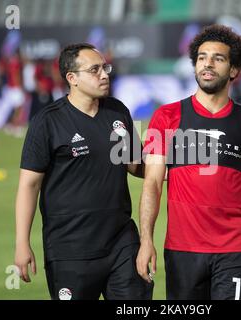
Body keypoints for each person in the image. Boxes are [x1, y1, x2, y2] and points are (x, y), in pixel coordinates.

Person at [136, 25, 241, 300]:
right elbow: (153, 183)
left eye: (218, 58)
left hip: (235, 249)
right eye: (201, 57)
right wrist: (146, 240)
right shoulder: (165, 117)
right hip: (182, 251)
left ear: (234, 70)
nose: (207, 64)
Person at [14, 43, 152, 300]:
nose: (104, 74)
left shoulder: (117, 111)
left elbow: (134, 163)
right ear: (72, 78)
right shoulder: (47, 121)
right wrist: (22, 242)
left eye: (105, 68)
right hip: (70, 250)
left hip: (122, 242)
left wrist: (170, 168)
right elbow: (29, 185)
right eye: (95, 69)